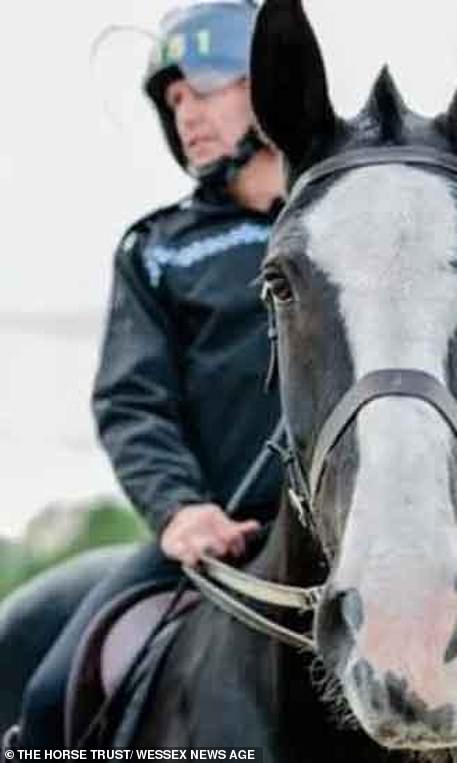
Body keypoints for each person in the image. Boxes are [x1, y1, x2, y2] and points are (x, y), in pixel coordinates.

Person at [3, 0, 284, 749]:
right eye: (174, 98)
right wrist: (181, 510)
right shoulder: (156, 250)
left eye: (206, 85)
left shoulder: (346, 214)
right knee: (51, 689)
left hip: (378, 534)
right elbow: (132, 401)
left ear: (272, 83)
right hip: (216, 541)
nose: (186, 111)